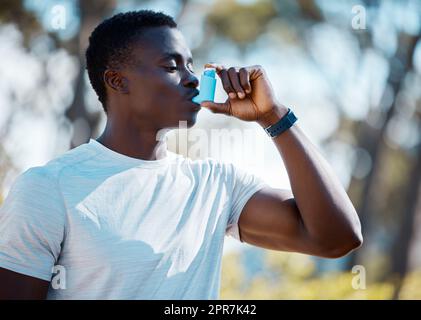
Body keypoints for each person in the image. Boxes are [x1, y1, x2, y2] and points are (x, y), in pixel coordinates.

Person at [0, 10, 362, 299]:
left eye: (190, 65)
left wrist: (274, 117)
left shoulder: (216, 184)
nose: (191, 78)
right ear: (117, 81)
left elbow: (337, 238)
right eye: (171, 66)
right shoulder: (48, 188)